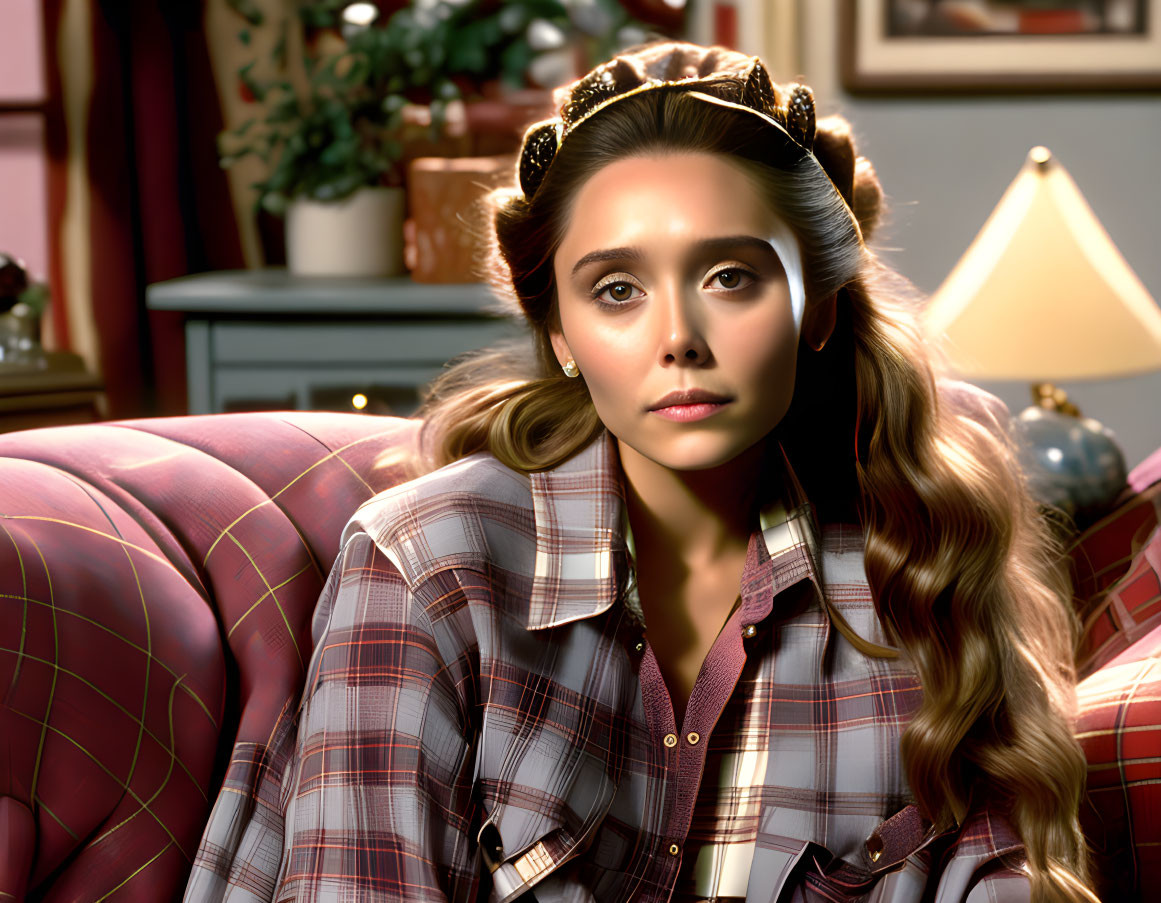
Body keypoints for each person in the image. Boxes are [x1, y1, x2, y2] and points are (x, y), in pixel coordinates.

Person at [185, 40, 1096, 903]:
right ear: (560, 334)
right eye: (616, 289)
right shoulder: (426, 569)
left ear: (816, 306)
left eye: (731, 276)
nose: (677, 341)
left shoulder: (918, 557)